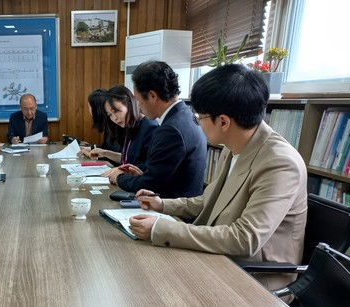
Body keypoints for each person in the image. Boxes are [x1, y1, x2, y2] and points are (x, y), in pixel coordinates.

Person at [129, 64, 307, 294]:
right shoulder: (234, 145)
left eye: (199, 117)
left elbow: (245, 239)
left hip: (254, 275)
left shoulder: (280, 163)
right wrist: (162, 205)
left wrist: (161, 229)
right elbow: (209, 200)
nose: (196, 122)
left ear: (223, 122)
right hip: (221, 257)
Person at [105, 61, 206, 198]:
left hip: (173, 210)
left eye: (139, 100)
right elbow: (165, 173)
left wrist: (119, 177)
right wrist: (141, 174)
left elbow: (150, 185)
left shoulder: (170, 130)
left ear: (152, 96)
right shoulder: (186, 115)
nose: (139, 106)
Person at [88, 85, 157, 167]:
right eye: (110, 115)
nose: (114, 118)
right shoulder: (129, 125)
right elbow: (127, 159)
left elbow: (152, 166)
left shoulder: (149, 127)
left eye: (116, 111)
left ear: (130, 103)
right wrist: (104, 153)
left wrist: (121, 173)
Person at [77, 89, 122, 162]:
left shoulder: (115, 125)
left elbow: (115, 155)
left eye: (89, 106)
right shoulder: (108, 124)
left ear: (95, 109)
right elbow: (106, 148)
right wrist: (91, 148)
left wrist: (91, 154)